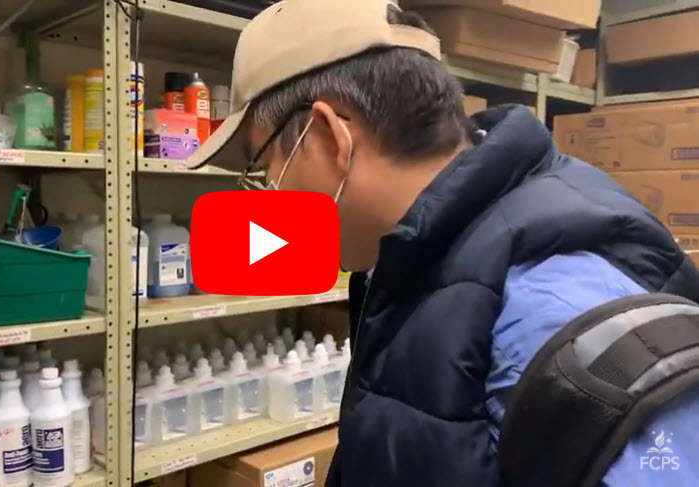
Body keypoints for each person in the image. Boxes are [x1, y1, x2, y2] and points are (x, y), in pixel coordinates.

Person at [187, 0, 699, 485]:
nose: (266, 195)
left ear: (327, 135)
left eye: (264, 167)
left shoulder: (552, 309)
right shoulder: (415, 254)